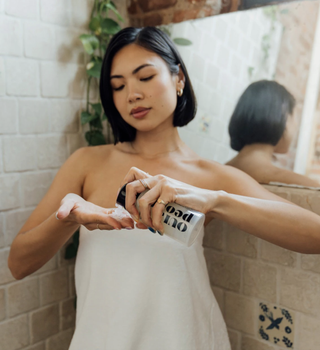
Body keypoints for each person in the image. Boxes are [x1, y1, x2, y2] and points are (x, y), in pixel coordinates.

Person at [8, 27, 320, 350]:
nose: (132, 94)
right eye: (118, 86)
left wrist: (212, 200)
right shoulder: (86, 163)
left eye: (144, 77)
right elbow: (18, 264)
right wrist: (69, 218)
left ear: (179, 79)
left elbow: (315, 233)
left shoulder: (209, 176)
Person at [226, 80, 319, 187]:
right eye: (294, 117)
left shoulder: (212, 173)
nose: (296, 125)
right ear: (283, 117)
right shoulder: (306, 186)